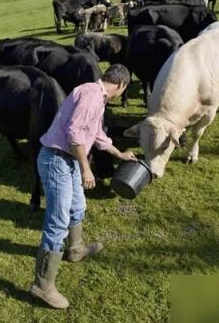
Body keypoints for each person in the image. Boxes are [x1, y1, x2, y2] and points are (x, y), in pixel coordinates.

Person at [29, 64, 137, 309]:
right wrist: (86, 169)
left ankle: (75, 248)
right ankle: (42, 286)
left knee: (77, 206)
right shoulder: (91, 95)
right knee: (57, 222)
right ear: (121, 85)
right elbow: (75, 133)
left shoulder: (97, 97)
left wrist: (118, 153)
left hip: (67, 159)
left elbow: (95, 133)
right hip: (57, 160)